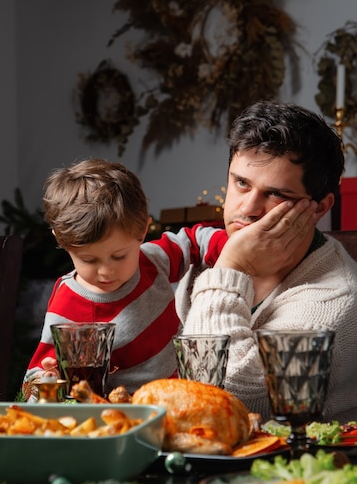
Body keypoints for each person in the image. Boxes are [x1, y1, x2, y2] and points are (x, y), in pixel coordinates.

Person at [177, 100, 357, 424]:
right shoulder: (196, 258)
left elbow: (227, 399)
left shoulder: (335, 299)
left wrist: (232, 268)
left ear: (319, 208)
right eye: (241, 183)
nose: (248, 208)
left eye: (276, 194)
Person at [23, 158, 227, 398]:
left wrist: (235, 248)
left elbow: (194, 240)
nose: (106, 271)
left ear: (142, 232)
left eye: (119, 256)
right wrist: (46, 379)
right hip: (124, 413)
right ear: (61, 240)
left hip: (181, 396)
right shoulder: (68, 304)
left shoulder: (152, 260)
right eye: (89, 260)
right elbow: (32, 379)